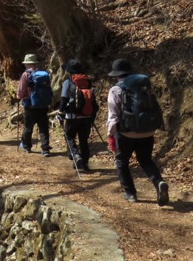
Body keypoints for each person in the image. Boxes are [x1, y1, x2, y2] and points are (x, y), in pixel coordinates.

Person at [106, 58, 170, 205]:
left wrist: (111, 134)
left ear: (117, 75)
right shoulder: (144, 87)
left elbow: (113, 116)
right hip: (147, 132)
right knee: (146, 160)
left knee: (122, 162)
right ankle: (159, 182)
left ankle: (130, 193)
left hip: (126, 133)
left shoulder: (115, 90)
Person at [58, 59, 96, 172]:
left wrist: (60, 112)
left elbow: (64, 99)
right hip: (87, 115)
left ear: (69, 71)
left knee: (69, 136)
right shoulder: (87, 81)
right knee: (83, 140)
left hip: (72, 116)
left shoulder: (68, 82)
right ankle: (85, 163)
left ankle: (75, 155)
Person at [16, 54, 51, 156]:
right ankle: (45, 149)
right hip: (43, 105)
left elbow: (21, 91)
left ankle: (27, 146)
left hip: (30, 106)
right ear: (35, 63)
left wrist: (18, 97)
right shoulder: (44, 74)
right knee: (43, 128)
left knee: (28, 127)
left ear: (26, 64)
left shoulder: (26, 74)